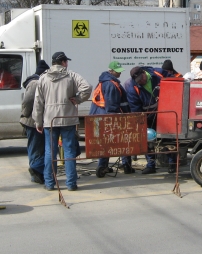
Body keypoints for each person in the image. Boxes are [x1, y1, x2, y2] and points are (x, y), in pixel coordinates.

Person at [32, 52, 92, 191]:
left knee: (50, 152)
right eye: (66, 61)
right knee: (69, 151)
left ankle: (49, 183)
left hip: (50, 120)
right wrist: (78, 99)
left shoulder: (43, 78)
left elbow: (38, 102)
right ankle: (71, 184)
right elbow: (87, 87)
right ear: (63, 62)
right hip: (68, 119)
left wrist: (38, 121)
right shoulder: (71, 75)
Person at [125, 66, 177, 174]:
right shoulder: (132, 88)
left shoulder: (158, 73)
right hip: (148, 115)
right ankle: (151, 165)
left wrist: (165, 92)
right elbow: (135, 108)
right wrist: (141, 122)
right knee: (148, 139)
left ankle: (172, 163)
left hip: (166, 111)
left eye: (142, 78)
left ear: (144, 73)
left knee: (168, 138)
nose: (141, 81)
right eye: (138, 80)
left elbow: (175, 82)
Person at [89, 60, 135, 175]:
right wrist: (121, 117)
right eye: (117, 71)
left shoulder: (104, 82)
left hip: (99, 115)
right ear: (111, 71)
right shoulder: (111, 85)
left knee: (106, 143)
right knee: (123, 140)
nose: (120, 73)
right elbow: (112, 105)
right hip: (109, 117)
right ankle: (126, 166)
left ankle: (103, 166)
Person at [20, 60, 50, 185]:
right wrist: (25, 114)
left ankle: (37, 174)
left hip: (33, 120)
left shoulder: (34, 82)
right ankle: (36, 170)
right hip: (33, 121)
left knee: (36, 148)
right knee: (37, 148)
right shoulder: (36, 83)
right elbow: (27, 102)